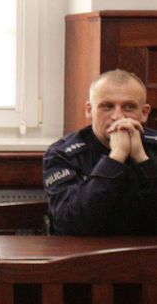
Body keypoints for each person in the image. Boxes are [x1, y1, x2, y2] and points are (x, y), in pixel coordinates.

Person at [44, 69, 157, 235]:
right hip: (86, 249)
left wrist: (143, 160)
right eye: (107, 106)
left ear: (144, 113)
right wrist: (116, 158)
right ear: (89, 110)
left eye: (129, 107)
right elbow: (71, 221)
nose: (117, 116)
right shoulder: (63, 154)